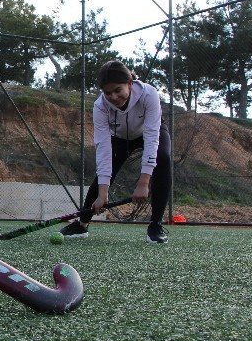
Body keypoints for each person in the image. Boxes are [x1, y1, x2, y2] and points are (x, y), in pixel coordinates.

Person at [60, 60, 172, 244]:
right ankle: (81, 224)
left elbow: (152, 137)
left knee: (163, 158)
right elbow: (103, 149)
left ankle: (155, 225)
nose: (112, 97)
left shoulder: (149, 94)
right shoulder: (100, 107)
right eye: (107, 92)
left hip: (150, 131)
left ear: (129, 83)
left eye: (117, 90)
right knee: (103, 174)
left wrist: (144, 182)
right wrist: (103, 194)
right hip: (120, 137)